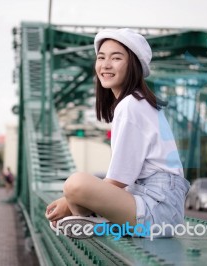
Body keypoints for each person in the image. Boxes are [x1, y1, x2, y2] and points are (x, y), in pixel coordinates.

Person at [45, 28, 190, 239]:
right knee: (87, 182)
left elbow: (118, 180)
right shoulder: (137, 102)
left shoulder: (131, 105)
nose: (105, 65)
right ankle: (99, 223)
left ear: (133, 66)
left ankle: (93, 220)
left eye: (116, 58)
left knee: (75, 185)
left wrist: (68, 202)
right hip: (162, 209)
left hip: (157, 210)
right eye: (101, 57)